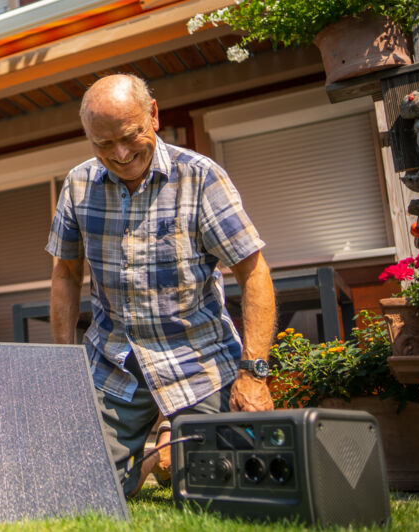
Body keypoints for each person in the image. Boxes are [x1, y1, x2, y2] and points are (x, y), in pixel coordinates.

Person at [46, 74, 276, 497]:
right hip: (116, 361)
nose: (119, 153)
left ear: (153, 114)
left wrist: (253, 372)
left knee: (222, 491)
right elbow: (65, 274)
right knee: (80, 488)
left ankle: (172, 440)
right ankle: (155, 455)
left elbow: (253, 271)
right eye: (102, 144)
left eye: (130, 135)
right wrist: (65, 370)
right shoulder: (78, 185)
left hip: (198, 359)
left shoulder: (200, 177)